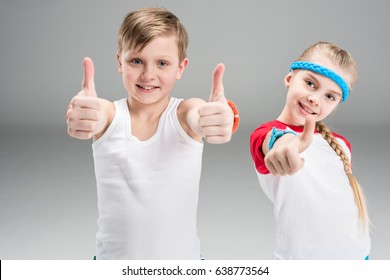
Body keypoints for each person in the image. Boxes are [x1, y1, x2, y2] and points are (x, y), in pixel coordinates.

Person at [66, 7, 239, 260]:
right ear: (119, 62)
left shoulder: (184, 113)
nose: (148, 74)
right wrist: (83, 114)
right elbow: (96, 113)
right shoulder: (109, 115)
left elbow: (200, 115)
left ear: (180, 68)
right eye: (136, 61)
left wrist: (221, 117)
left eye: (162, 63)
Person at [250, 42, 370, 259]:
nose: (315, 99)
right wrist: (284, 143)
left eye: (329, 96)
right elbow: (273, 141)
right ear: (289, 79)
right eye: (310, 83)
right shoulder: (265, 133)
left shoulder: (341, 145)